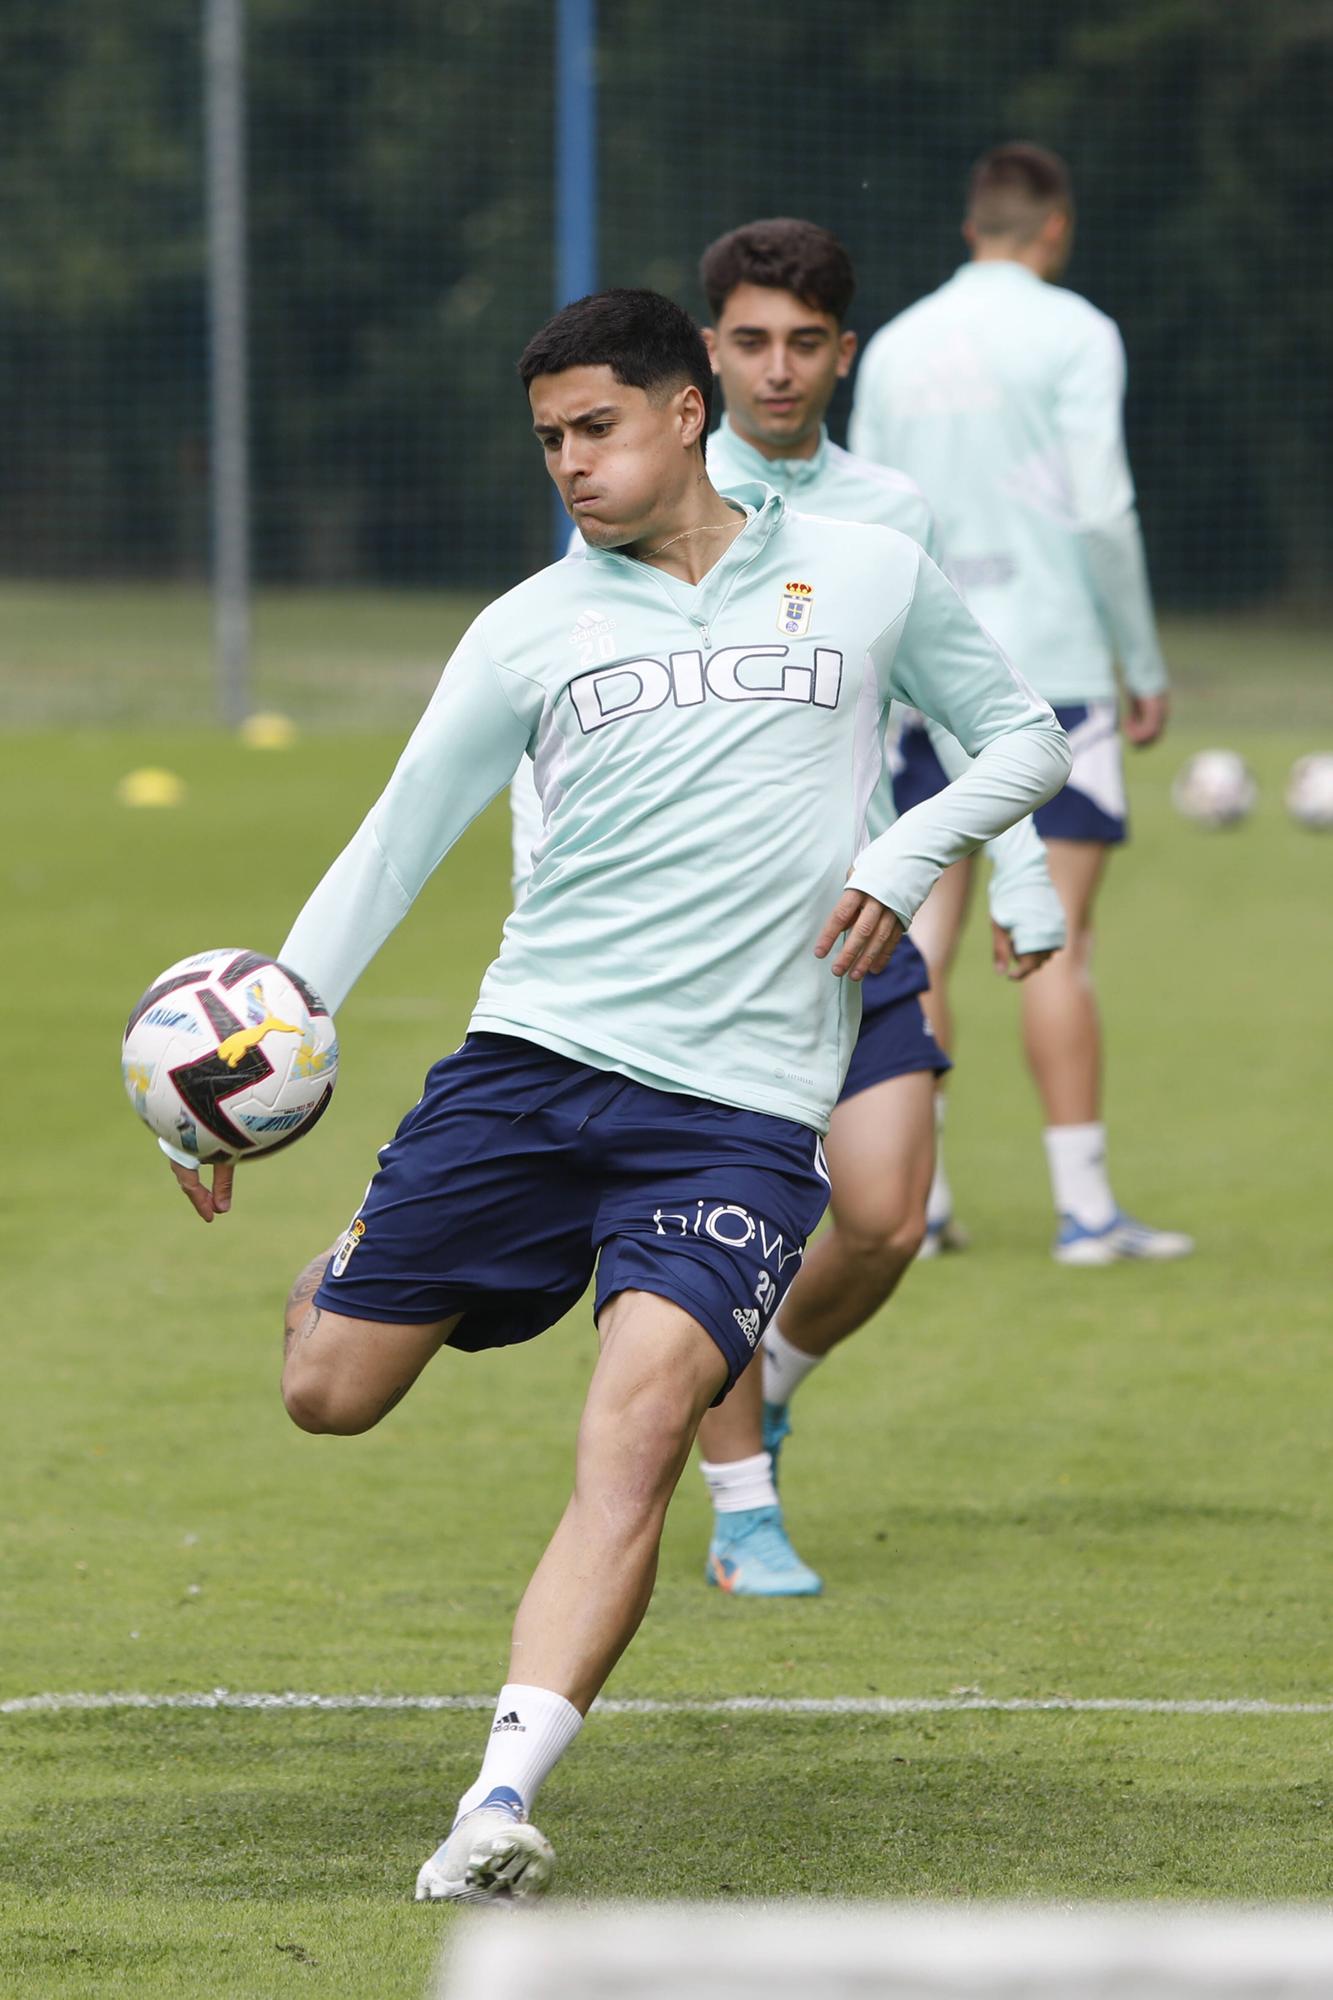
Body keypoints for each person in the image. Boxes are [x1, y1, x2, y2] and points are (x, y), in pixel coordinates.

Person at [164, 288, 1071, 1903]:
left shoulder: (861, 572)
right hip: (528, 1069)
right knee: (330, 1394)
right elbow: (396, 839)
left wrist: (908, 848)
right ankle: (350, 1274)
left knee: (640, 1429)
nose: (569, 467)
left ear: (682, 414)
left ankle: (497, 1802)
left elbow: (1015, 741)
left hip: (735, 1111)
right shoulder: (528, 624)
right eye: (546, 443)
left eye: (593, 430)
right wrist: (245, 1067)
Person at [685, 216, 1065, 1596]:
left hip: (857, 928)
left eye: (802, 345)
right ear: (707, 351)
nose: (775, 371)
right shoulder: (662, 496)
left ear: (842, 356)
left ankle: (769, 1375)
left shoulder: (892, 512)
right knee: (738, 1220)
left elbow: (963, 708)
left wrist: (1017, 875)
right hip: (711, 948)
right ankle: (739, 1513)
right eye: (749, 342)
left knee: (889, 1217)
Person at [851, 143, 1194, 1268]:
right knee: (1063, 940)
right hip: (1048, 669)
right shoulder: (1076, 331)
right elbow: (1100, 508)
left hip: (918, 672)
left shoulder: (894, 345)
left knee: (926, 934)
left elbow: (865, 514)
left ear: (970, 227)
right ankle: (1085, 1209)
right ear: (1053, 228)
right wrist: (1140, 661)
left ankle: (925, 1198)